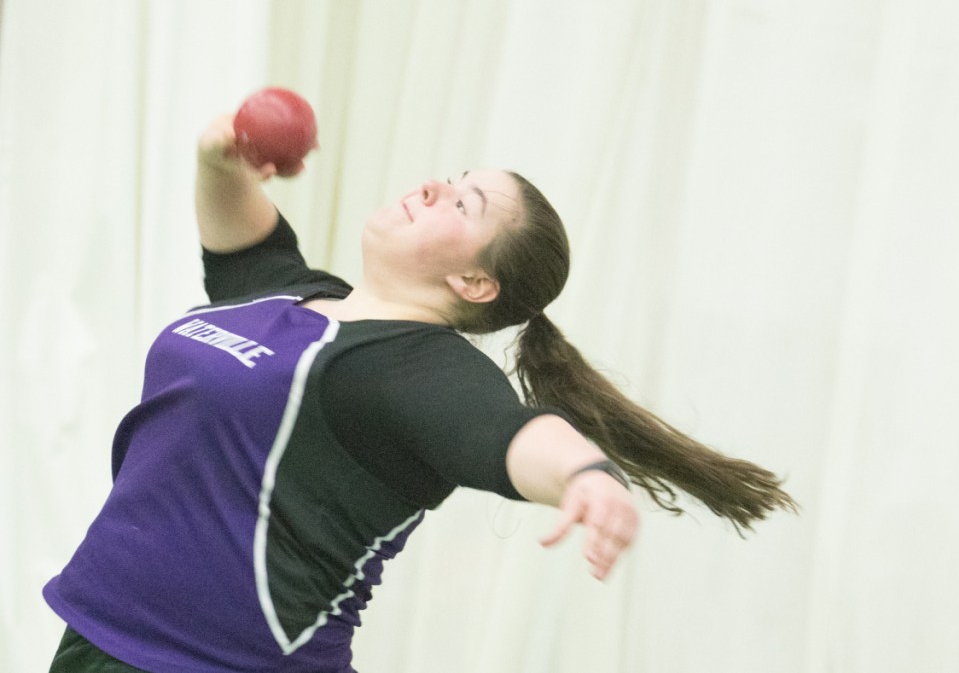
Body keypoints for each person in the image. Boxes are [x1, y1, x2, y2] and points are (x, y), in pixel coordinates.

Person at [43, 115, 796, 672]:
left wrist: (585, 475)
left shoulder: (416, 369)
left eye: (463, 205)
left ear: (473, 282)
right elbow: (241, 230)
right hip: (99, 634)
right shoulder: (287, 294)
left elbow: (506, 432)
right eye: (454, 177)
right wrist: (222, 153)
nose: (435, 185)